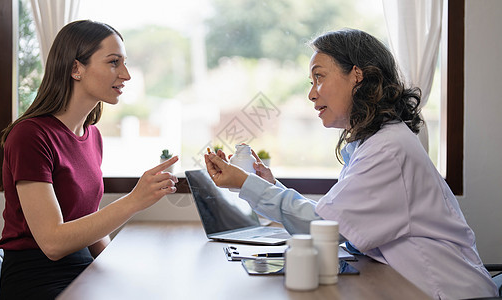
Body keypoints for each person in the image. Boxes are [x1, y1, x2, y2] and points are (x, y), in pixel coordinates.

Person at [204, 29, 498, 299]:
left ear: (357, 75)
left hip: (448, 293)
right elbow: (334, 218)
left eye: (319, 77)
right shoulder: (374, 143)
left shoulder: (388, 149)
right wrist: (268, 186)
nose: (311, 93)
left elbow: (324, 227)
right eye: (311, 82)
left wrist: (245, 184)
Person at [0, 20, 179, 299]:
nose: (126, 74)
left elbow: (88, 226)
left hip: (83, 271)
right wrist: (133, 200)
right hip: (38, 280)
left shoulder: (92, 136)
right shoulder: (29, 136)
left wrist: (123, 271)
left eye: (124, 62)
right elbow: (53, 243)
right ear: (75, 69)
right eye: (113, 62)